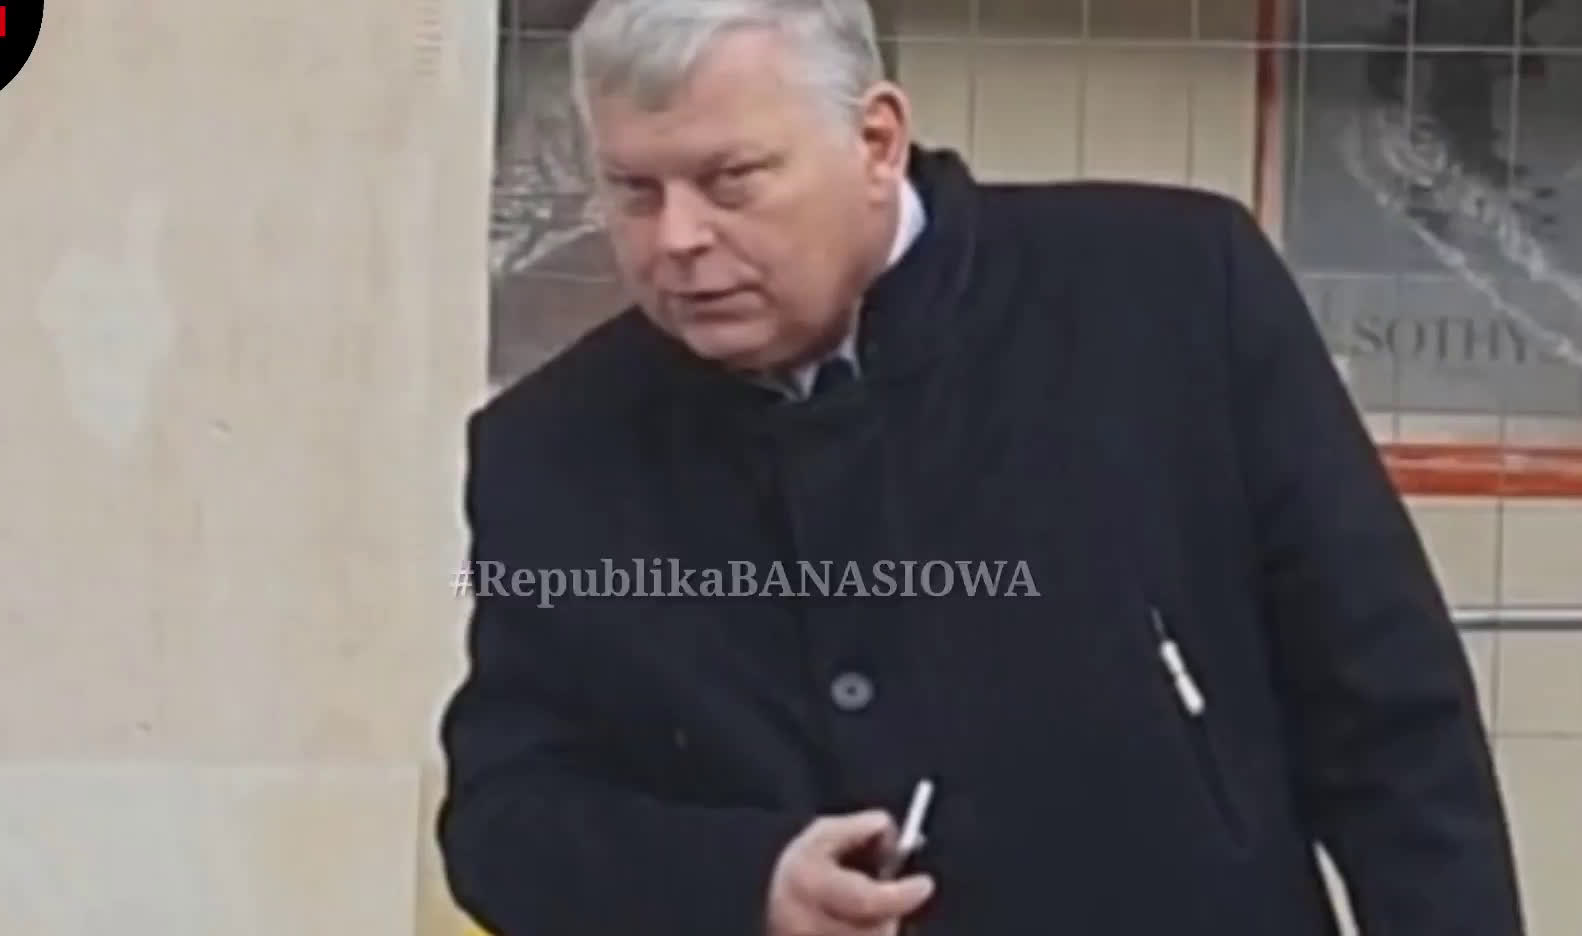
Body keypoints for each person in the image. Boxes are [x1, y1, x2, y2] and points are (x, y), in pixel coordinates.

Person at [436, 1, 1526, 933]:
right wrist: (744, 884)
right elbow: (505, 817)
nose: (676, 238)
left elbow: (1391, 725)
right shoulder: (548, 449)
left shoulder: (1174, 296)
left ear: (876, 142)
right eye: (634, 191)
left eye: (731, 181)